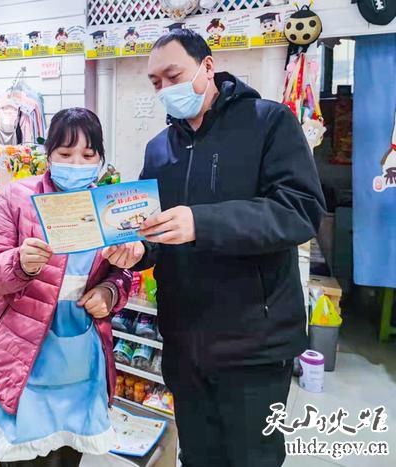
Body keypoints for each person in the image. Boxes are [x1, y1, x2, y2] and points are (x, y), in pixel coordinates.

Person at [103, 29, 326, 467]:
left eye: (173, 76)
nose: (165, 89)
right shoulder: (159, 149)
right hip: (183, 341)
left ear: (207, 67)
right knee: (197, 454)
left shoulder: (268, 122)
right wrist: (139, 250)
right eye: (156, 82)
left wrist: (201, 223)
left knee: (252, 457)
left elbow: (300, 210)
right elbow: (156, 231)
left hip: (254, 344)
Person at [0, 107, 132, 466]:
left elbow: (121, 275)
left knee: (69, 456)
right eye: (66, 153)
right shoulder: (17, 198)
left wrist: (110, 292)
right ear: (49, 155)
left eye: (87, 155)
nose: (76, 163)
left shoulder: (109, 207)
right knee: (22, 457)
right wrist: (19, 263)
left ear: (100, 160)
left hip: (81, 364)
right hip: (22, 361)